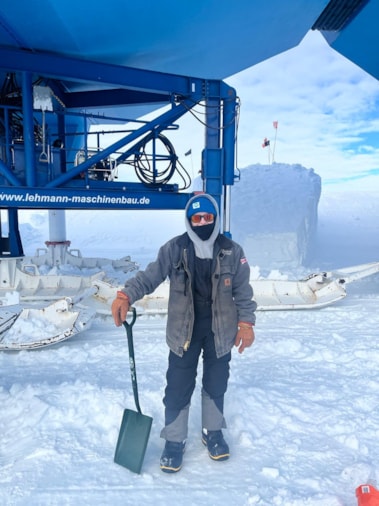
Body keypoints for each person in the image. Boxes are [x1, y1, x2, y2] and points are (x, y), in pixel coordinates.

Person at [111, 193, 257, 473]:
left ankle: (212, 432)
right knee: (178, 386)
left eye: (208, 217)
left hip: (220, 332)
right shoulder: (174, 249)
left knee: (216, 383)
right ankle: (174, 441)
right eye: (197, 218)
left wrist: (246, 324)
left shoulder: (232, 251)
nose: (203, 222)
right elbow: (150, 276)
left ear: (215, 218)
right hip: (183, 332)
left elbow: (243, 291)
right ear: (189, 220)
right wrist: (125, 295)